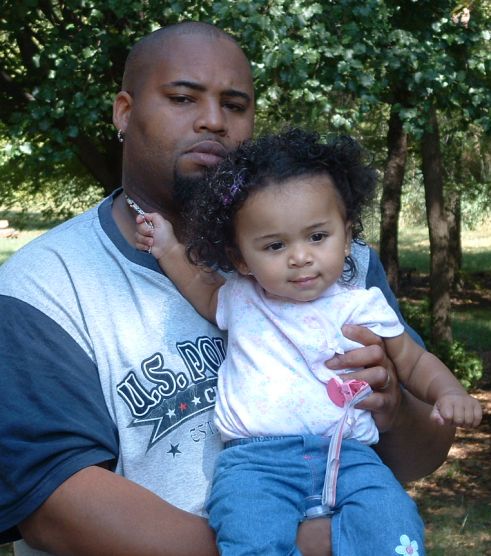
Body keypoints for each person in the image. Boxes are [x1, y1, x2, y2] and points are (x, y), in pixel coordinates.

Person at [0, 22, 455, 556]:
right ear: (124, 112)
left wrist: (393, 409)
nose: (213, 120)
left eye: (235, 105)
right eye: (182, 98)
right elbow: (52, 503)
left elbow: (422, 454)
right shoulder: (47, 283)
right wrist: (296, 545)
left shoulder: (338, 265)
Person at [135, 128, 481, 555]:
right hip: (255, 463)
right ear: (241, 258)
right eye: (275, 245)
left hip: (351, 456)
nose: (300, 257)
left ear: (347, 236)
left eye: (317, 237)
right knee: (249, 534)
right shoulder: (240, 298)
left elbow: (413, 362)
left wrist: (449, 391)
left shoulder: (361, 305)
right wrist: (167, 246)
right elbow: (198, 287)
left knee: (393, 521)